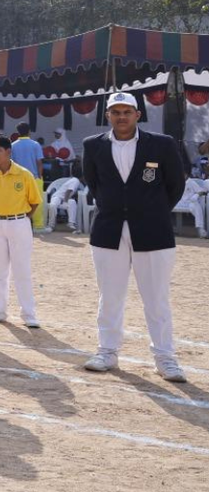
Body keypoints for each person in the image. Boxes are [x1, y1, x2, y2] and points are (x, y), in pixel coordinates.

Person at [81, 91, 187, 381]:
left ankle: (165, 358)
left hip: (153, 231)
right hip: (109, 230)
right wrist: (114, 206)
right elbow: (93, 182)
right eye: (116, 112)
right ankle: (107, 351)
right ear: (108, 116)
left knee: (156, 298)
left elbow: (176, 184)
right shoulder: (93, 146)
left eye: (127, 111)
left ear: (138, 115)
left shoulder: (161, 145)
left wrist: (154, 211)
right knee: (110, 296)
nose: (122, 117)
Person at [0, 135, 42, 329]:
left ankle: (28, 313)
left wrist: (21, 218)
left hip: (18, 223)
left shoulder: (24, 174)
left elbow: (34, 202)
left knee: (21, 270)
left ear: (8, 151)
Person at [10, 122, 47, 229]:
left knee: (19, 202)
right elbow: (39, 162)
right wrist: (39, 176)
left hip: (18, 178)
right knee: (37, 202)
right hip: (34, 177)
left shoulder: (13, 145)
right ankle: (38, 225)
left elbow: (12, 163)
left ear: (18, 132)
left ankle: (20, 225)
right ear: (29, 131)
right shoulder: (35, 144)